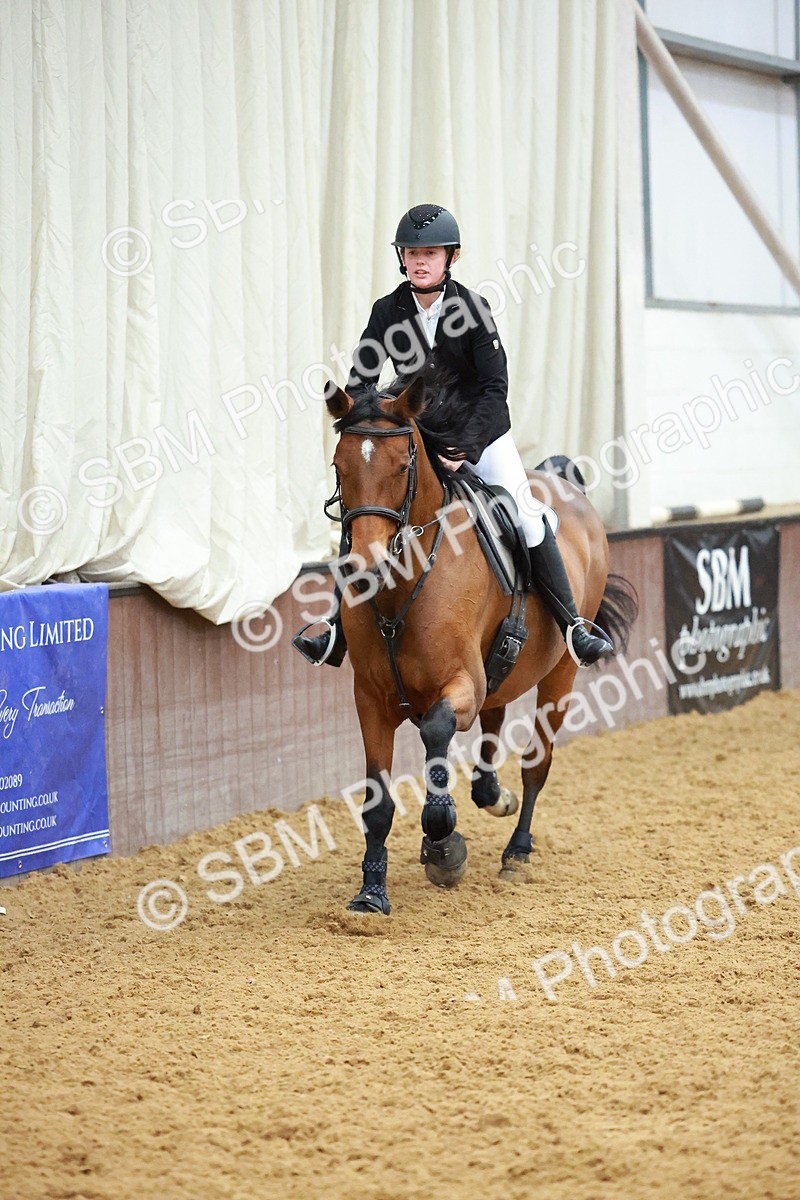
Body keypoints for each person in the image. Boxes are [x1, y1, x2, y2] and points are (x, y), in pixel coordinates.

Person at [293, 204, 612, 668]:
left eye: (430, 253)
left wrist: (468, 446)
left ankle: (573, 626)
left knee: (526, 515)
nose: (419, 261)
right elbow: (361, 382)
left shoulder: (472, 309)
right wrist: (372, 422)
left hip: (479, 436)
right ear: (402, 258)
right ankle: (336, 630)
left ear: (451, 258)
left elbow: (495, 387)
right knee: (363, 515)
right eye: (412, 253)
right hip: (419, 440)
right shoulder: (388, 312)